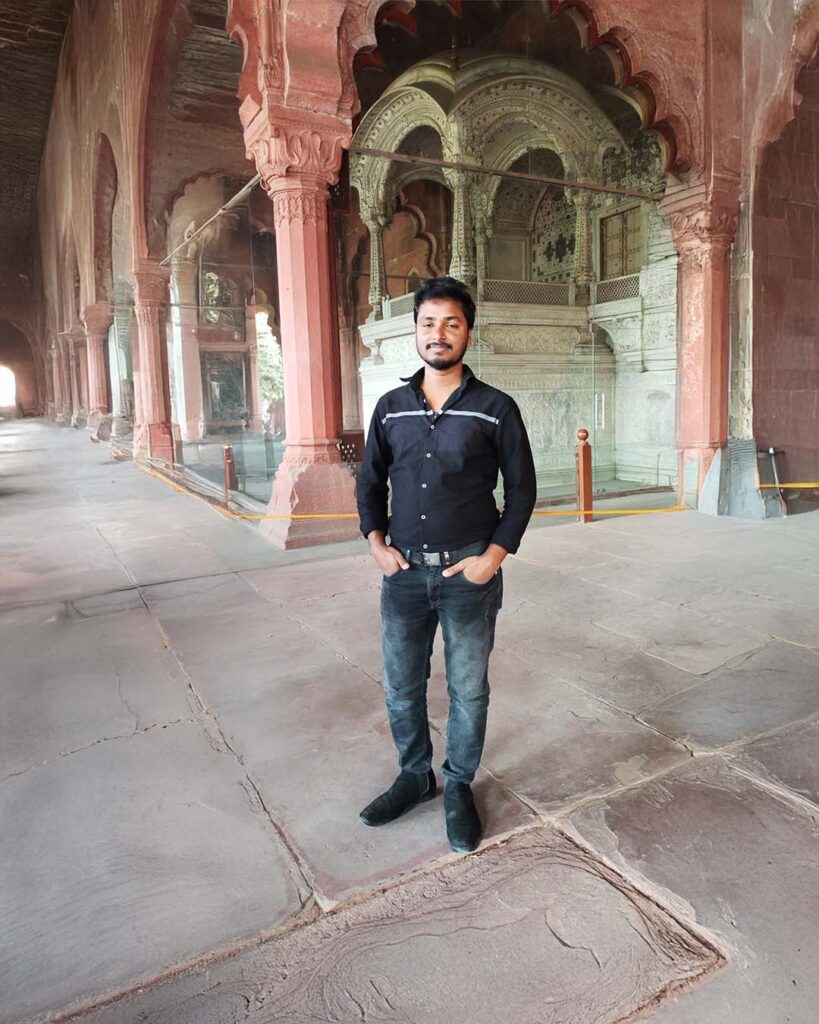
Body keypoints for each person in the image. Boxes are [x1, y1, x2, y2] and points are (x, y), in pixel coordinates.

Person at [356, 276, 537, 853]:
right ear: (416, 332)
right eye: (429, 323)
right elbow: (369, 482)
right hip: (403, 576)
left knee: (468, 690)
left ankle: (458, 784)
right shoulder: (390, 409)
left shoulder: (495, 408)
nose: (439, 334)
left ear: (468, 333)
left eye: (451, 323)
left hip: (468, 578)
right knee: (402, 687)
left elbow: (524, 491)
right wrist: (375, 543)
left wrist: (491, 558)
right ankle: (415, 775)